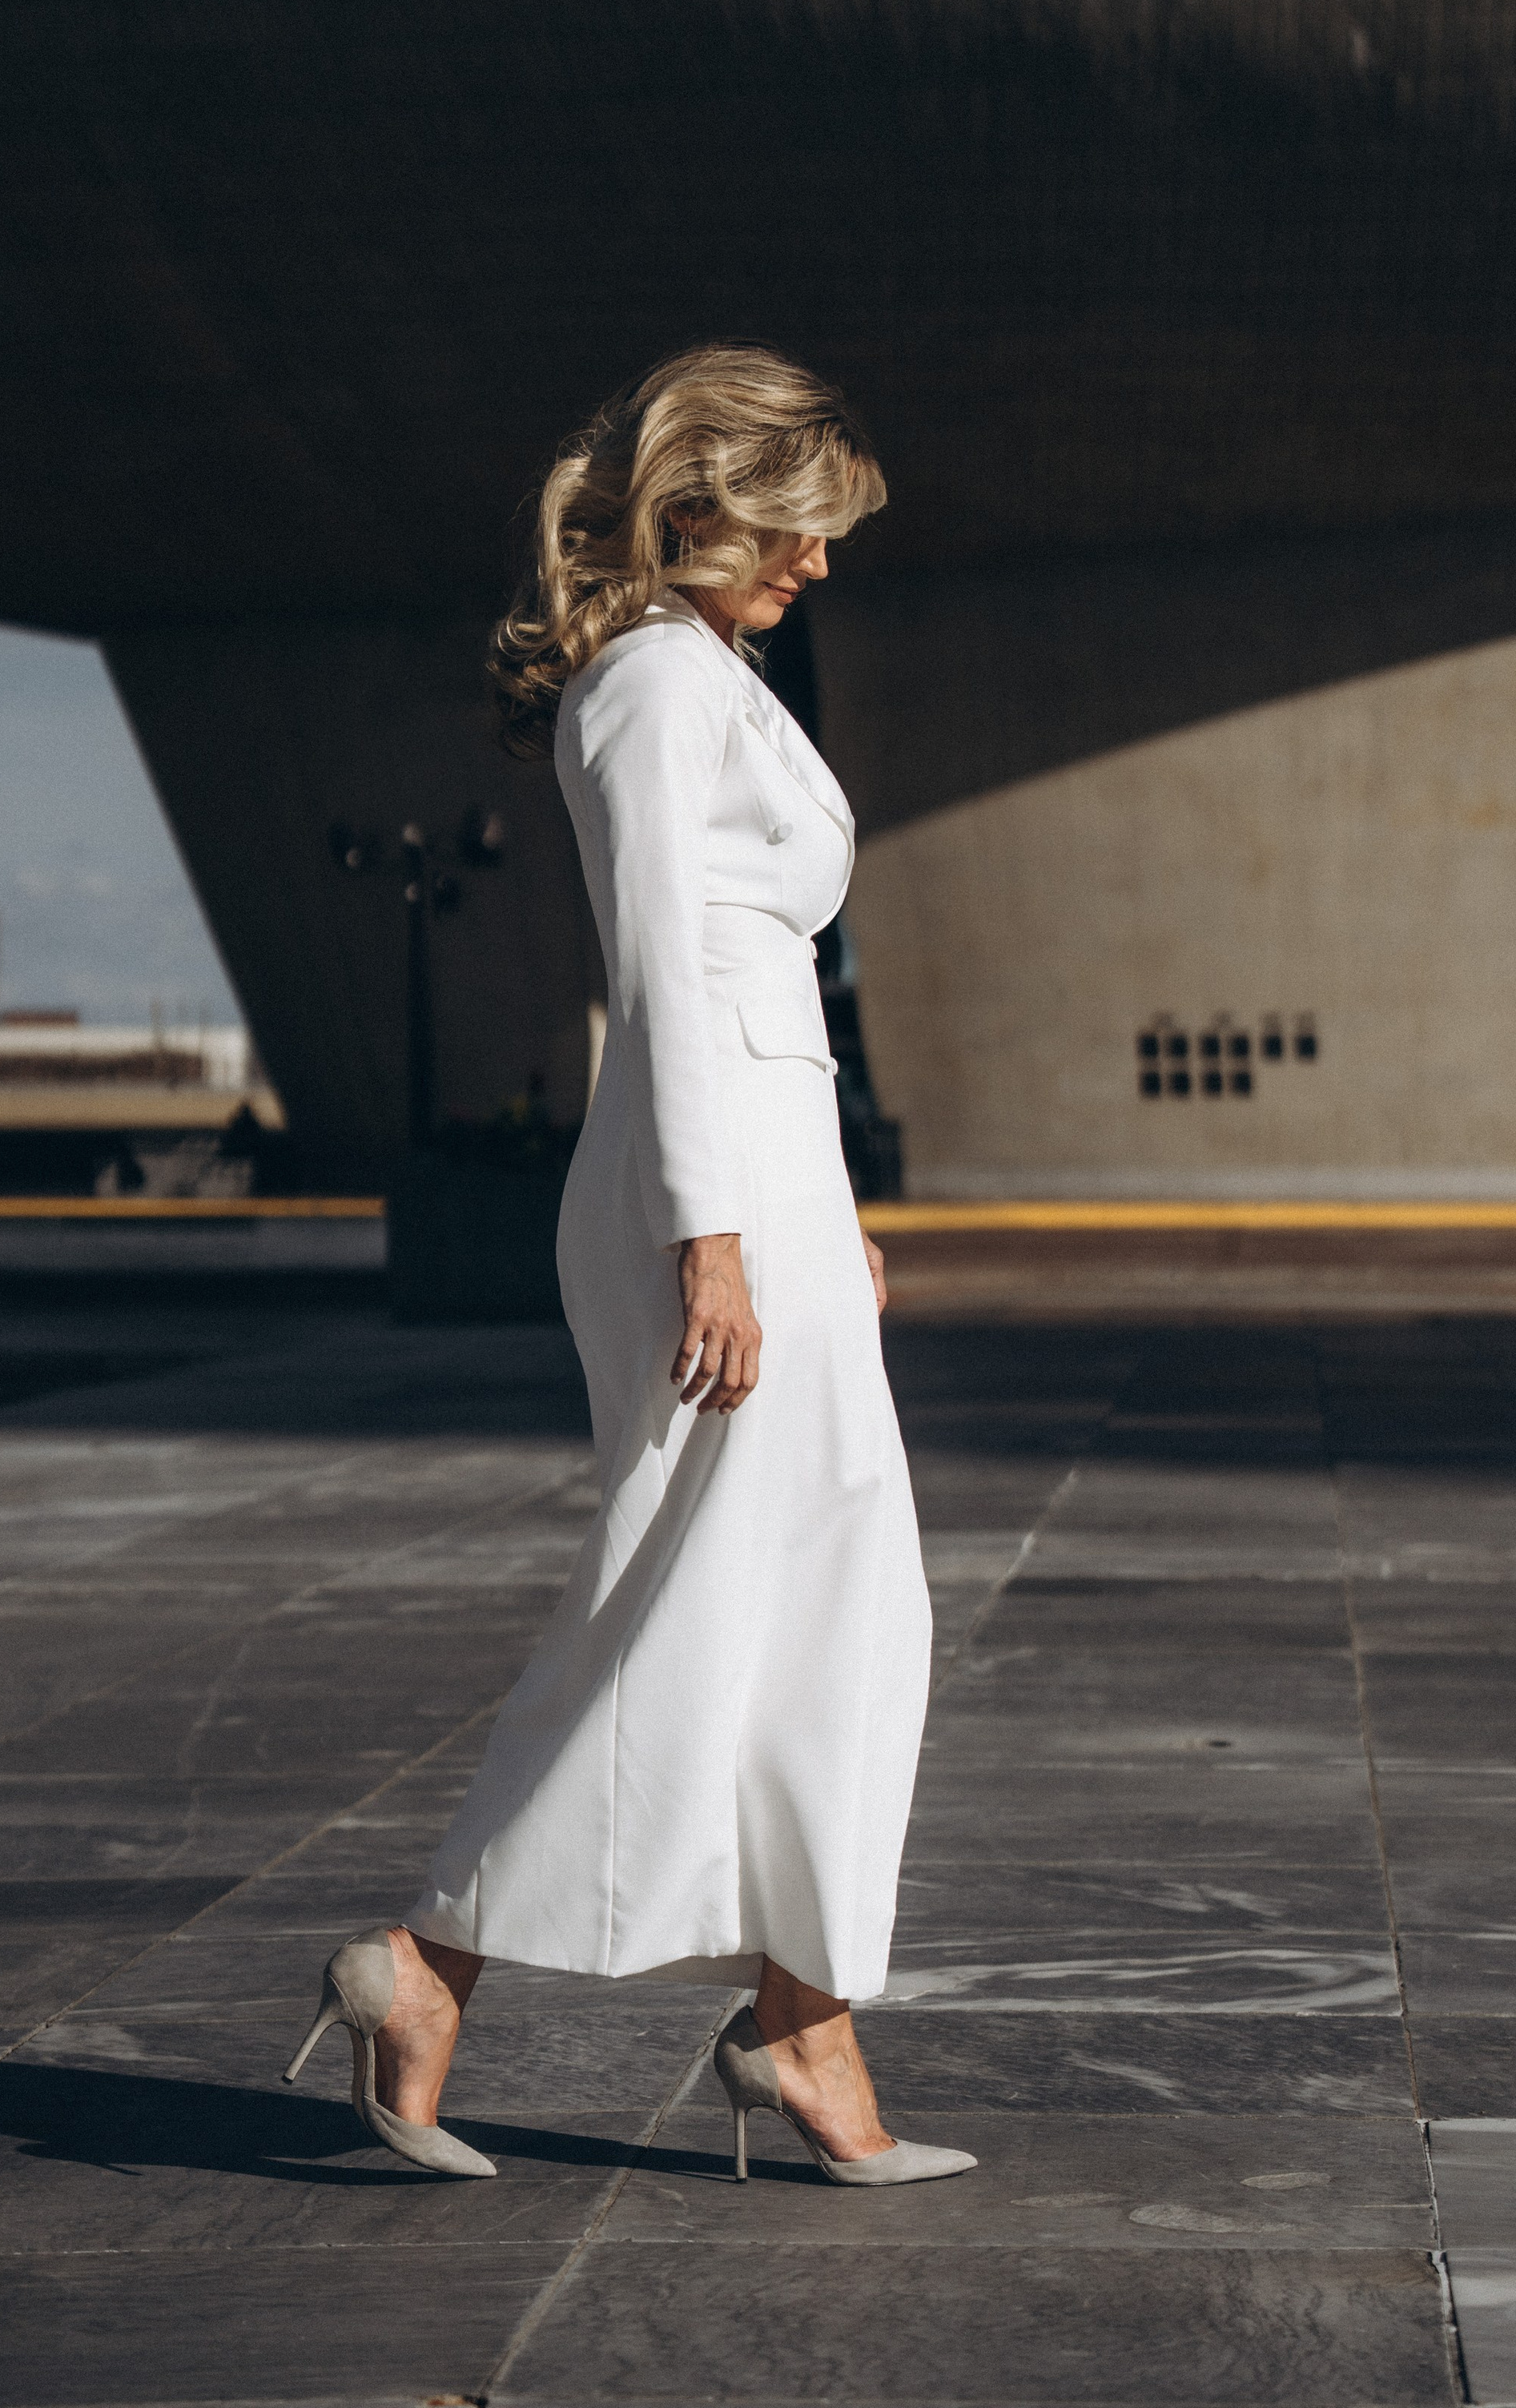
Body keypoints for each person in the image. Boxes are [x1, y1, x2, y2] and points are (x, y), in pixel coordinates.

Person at [286, 345, 972, 2189]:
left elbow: (749, 994)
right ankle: (439, 1967)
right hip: (710, 1202)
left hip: (761, 1190)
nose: (815, 566)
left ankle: (794, 2021)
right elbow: (664, 978)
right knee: (688, 1604)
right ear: (693, 516)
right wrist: (719, 1246)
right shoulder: (659, 689)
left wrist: (823, 1225)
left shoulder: (703, 679)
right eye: (792, 530)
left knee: (830, 1611)